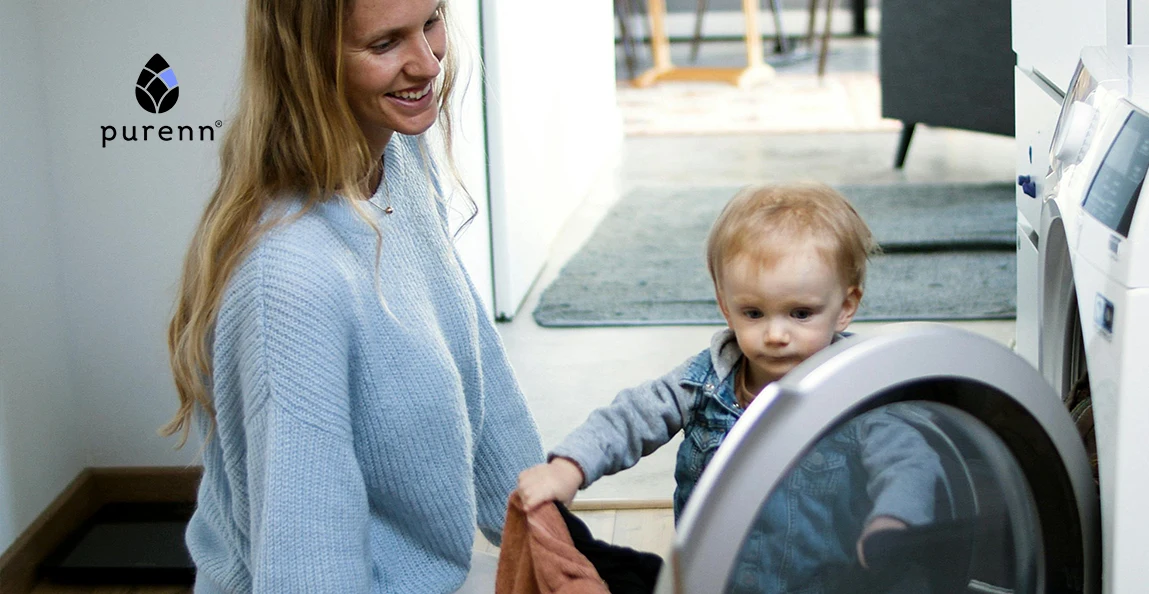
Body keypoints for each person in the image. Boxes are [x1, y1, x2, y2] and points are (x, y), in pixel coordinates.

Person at [161, 0, 543, 591]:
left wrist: (544, 535)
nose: (427, 62)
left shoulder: (397, 153)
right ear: (310, 63)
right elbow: (308, 573)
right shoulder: (288, 280)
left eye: (432, 21)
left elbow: (475, 360)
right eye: (386, 44)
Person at [516, 182, 944, 592]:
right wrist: (568, 468)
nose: (776, 334)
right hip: (712, 580)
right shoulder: (703, 382)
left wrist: (894, 522)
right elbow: (630, 418)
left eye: (800, 313)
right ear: (725, 305)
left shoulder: (860, 389)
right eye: (754, 313)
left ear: (846, 306)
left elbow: (909, 459)